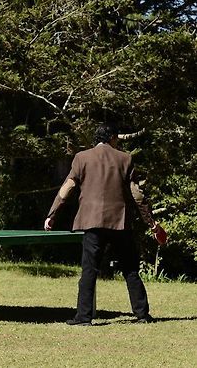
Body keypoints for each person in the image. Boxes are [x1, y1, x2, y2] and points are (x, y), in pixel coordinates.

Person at [44, 123, 166, 325]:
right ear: (113, 138)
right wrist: (151, 223)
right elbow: (137, 195)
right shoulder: (125, 159)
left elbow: (67, 188)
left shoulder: (81, 158)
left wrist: (52, 214)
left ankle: (83, 317)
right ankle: (142, 314)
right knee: (130, 269)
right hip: (120, 222)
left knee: (89, 270)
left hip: (91, 222)